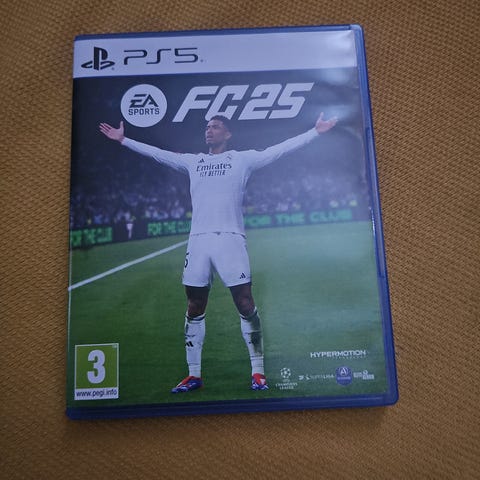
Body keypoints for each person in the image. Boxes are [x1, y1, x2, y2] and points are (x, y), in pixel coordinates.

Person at [99, 112, 337, 393]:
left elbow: (278, 150)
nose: (209, 130)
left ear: (228, 133)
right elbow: (159, 154)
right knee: (194, 305)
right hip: (198, 241)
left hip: (230, 239)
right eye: (207, 127)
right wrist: (124, 140)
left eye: (215, 127)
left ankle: (258, 372)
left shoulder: (242, 159)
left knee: (245, 302)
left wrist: (314, 132)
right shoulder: (193, 161)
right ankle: (194, 375)